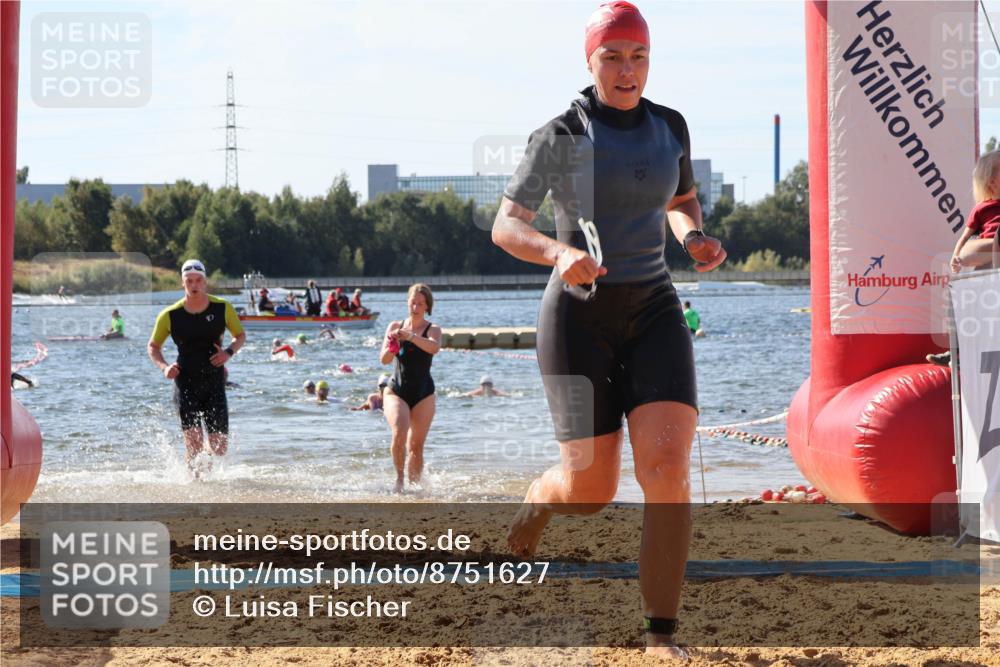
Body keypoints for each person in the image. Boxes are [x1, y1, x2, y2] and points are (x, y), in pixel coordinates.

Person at [490, 2, 726, 657]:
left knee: (667, 468)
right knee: (591, 491)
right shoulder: (561, 136)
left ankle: (661, 635)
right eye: (613, 56)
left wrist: (695, 237)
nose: (627, 69)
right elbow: (505, 225)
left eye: (639, 56)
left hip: (654, 309)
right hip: (576, 317)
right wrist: (560, 254)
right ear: (589, 60)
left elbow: (679, 200)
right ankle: (541, 499)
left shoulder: (670, 126)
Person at [148, 259, 246, 476]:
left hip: (214, 383)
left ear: (205, 282)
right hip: (186, 384)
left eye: (198, 280)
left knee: (219, 447)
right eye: (189, 281)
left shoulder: (222, 308)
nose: (194, 285)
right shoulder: (170, 315)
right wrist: (164, 367)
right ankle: (194, 484)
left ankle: (205, 461)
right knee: (193, 444)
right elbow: (153, 346)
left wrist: (228, 353)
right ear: (183, 283)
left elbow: (240, 336)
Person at [929, 151, 1000, 366]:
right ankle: (955, 351)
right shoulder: (982, 210)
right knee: (962, 301)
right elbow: (965, 237)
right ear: (992, 181)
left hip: (994, 262)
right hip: (986, 265)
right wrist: (955, 256)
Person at [381, 283, 442, 492]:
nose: (415, 307)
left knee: (416, 446)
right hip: (397, 390)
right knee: (399, 431)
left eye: (420, 304)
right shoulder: (395, 326)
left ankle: (415, 487)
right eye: (412, 302)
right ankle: (399, 480)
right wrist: (393, 344)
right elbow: (384, 360)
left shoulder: (432, 329)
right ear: (407, 302)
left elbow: (434, 348)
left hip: (424, 393)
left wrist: (411, 337)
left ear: (427, 306)